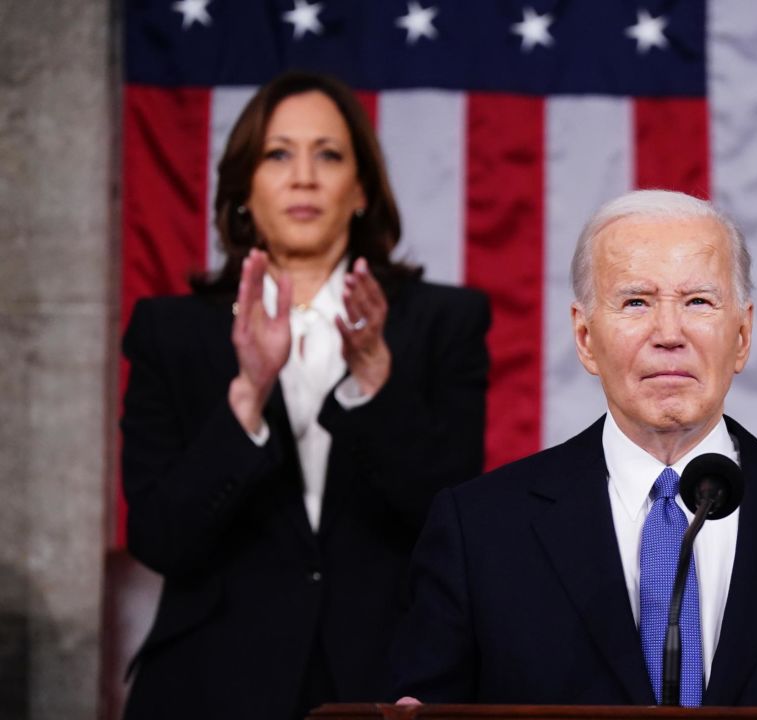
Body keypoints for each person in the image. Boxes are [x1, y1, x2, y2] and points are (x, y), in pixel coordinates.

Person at [391, 189, 757, 708]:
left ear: (743, 336)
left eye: (699, 301)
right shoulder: (480, 531)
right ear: (585, 337)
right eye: (635, 302)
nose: (668, 333)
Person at [120, 71, 489, 720]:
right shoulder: (168, 331)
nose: (304, 176)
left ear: (361, 190)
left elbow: (452, 522)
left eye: (329, 154)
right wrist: (247, 396)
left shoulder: (443, 322)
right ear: (244, 192)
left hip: (385, 678)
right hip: (208, 683)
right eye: (278, 154)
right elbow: (159, 538)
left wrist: (375, 380)